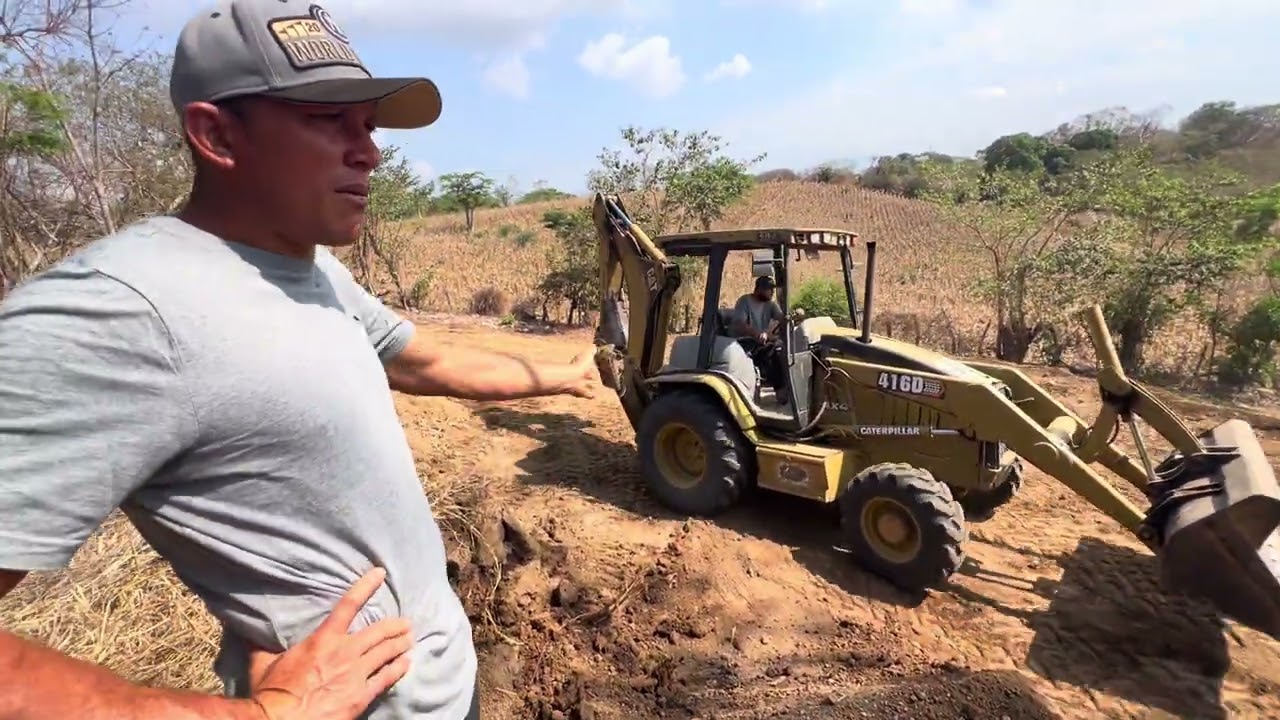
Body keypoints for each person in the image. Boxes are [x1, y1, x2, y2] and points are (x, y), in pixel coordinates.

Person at [0, 1, 600, 719]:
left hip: (448, 688)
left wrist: (568, 376)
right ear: (216, 134)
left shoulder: (315, 273)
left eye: (369, 125)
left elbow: (427, 361)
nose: (369, 151)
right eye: (326, 120)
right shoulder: (119, 312)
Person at [731, 275, 788, 398]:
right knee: (770, 351)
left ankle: (790, 388)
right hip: (745, 343)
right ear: (760, 289)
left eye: (773, 289)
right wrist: (757, 334)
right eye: (770, 289)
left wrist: (788, 321)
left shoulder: (770, 305)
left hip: (761, 343)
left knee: (783, 350)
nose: (772, 292)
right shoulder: (744, 301)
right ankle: (781, 391)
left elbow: (781, 319)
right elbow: (740, 324)